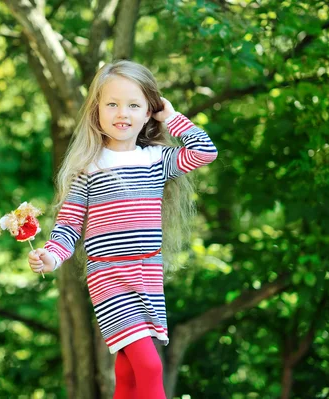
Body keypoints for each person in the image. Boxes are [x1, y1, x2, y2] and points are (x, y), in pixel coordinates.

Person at [28, 60, 218, 399]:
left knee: (128, 370)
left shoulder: (156, 159)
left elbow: (204, 151)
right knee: (149, 366)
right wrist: (51, 258)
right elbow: (69, 226)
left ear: (149, 112)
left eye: (134, 105)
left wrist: (171, 117)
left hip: (147, 272)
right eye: (112, 103)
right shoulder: (89, 167)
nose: (122, 112)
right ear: (97, 111)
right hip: (109, 276)